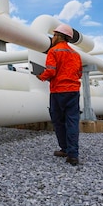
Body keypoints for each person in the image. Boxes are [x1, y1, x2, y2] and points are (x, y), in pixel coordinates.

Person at [36, 23, 82, 166]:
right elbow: (79, 73)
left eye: (54, 35)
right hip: (73, 92)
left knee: (58, 121)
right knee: (72, 122)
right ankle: (73, 155)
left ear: (58, 36)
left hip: (58, 91)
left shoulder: (54, 51)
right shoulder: (76, 54)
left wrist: (41, 76)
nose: (52, 38)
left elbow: (51, 71)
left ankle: (65, 149)